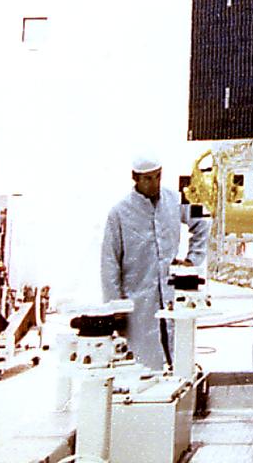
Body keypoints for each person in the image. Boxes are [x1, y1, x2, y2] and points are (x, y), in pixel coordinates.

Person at [101, 154, 210, 369]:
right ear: (136, 178)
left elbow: (203, 220)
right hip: (138, 301)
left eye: (158, 177)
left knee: (179, 358)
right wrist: (116, 306)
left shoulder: (176, 199)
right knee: (144, 365)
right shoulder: (119, 213)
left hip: (171, 296)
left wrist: (192, 260)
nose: (154, 184)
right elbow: (109, 262)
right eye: (148, 178)